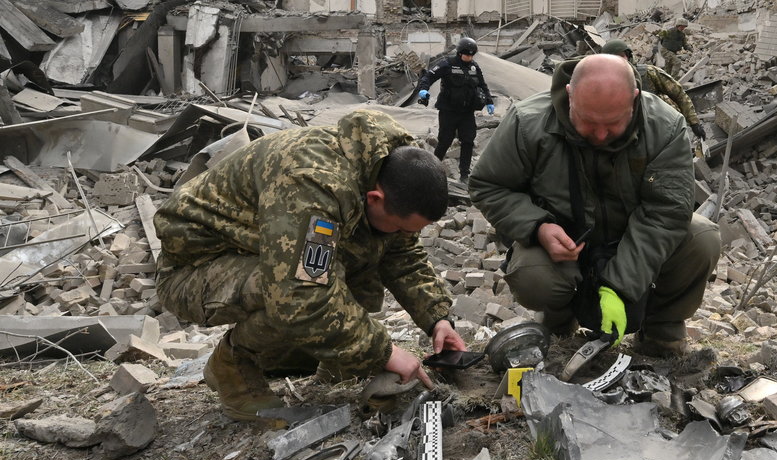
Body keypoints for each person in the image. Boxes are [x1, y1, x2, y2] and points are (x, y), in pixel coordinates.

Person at [154, 109, 467, 423]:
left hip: (254, 248)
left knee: (361, 253)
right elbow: (299, 296)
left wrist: (437, 319)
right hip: (194, 267)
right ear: (374, 198)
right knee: (293, 291)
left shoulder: (385, 164)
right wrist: (382, 351)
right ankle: (233, 364)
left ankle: (317, 357)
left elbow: (402, 253)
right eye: (401, 227)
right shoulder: (312, 186)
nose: (403, 236)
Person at [469, 55, 720, 358]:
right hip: (563, 244)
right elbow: (488, 185)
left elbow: (666, 212)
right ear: (570, 95)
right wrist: (538, 227)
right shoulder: (528, 122)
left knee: (702, 239)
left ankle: (661, 331)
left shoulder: (665, 128)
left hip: (630, 241)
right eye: (588, 122)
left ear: (634, 99)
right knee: (533, 276)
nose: (600, 136)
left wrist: (619, 286)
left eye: (613, 124)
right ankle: (558, 320)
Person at [417, 37, 495, 182]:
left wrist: (489, 102)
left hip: (467, 112)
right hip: (448, 111)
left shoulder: (474, 67)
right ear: (460, 53)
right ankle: (432, 172)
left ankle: (464, 175)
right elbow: (428, 76)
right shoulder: (448, 64)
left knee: (468, 141)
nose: (469, 57)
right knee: (445, 141)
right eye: (467, 54)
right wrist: (423, 90)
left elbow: (483, 86)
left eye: (472, 55)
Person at [601, 39, 706, 141]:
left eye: (621, 56)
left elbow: (679, 94)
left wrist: (694, 123)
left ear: (628, 56)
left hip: (658, 129)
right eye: (613, 58)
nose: (618, 61)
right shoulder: (601, 83)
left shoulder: (649, 73)